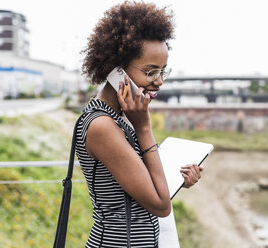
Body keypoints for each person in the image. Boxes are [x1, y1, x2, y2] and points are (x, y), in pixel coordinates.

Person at [77, 2, 203, 247]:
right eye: (150, 71)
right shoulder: (102, 125)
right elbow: (160, 206)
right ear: (117, 70)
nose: (159, 82)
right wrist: (144, 127)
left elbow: (145, 189)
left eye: (163, 72)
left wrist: (177, 180)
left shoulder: (120, 117)